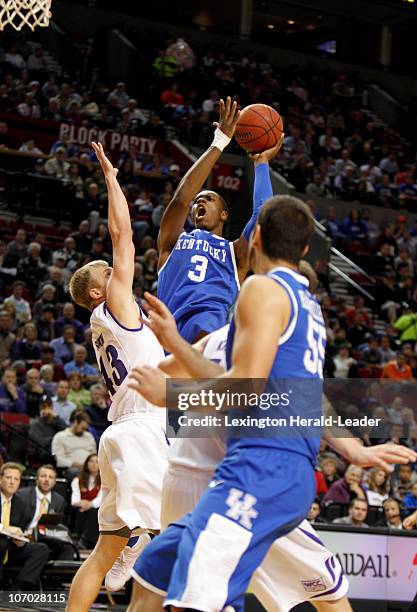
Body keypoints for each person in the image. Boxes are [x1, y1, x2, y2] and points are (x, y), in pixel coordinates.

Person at [128, 194, 333, 611]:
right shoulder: (307, 311)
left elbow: (242, 390)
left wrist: (169, 397)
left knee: (202, 598)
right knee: (151, 571)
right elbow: (299, 396)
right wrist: (354, 448)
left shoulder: (262, 291)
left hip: (256, 470)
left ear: (253, 237)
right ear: (306, 249)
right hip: (268, 469)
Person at [66, 142, 169, 612]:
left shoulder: (104, 325)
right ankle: (138, 543)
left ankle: (128, 546)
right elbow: (122, 233)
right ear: (96, 290)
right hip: (144, 431)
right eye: (110, 273)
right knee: (175, 528)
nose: (119, 271)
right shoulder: (115, 306)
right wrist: (110, 177)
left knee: (99, 555)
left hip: (121, 433)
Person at [157, 97, 284, 342]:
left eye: (209, 199)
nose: (199, 202)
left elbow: (264, 214)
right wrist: (220, 142)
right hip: (169, 345)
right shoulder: (173, 241)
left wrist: (261, 163)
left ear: (224, 215)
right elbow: (182, 198)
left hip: (208, 343)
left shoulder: (234, 254)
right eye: (198, 201)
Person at [0, 462, 49, 589]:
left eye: (16, 479)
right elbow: (7, 530)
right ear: (0, 479)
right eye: (8, 478)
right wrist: (3, 529)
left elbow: (18, 528)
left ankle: (17, 587)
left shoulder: (20, 503)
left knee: (41, 549)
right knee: (2, 542)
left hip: (9, 548)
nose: (12, 482)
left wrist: (20, 539)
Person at [16, 464, 74, 560]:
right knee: (41, 548)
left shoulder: (59, 500)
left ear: (55, 482)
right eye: (43, 476)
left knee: (68, 547)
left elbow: (57, 526)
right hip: (25, 536)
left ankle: (60, 574)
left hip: (46, 537)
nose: (47, 480)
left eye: (51, 477)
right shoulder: (22, 495)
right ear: (36, 479)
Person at [51, 410, 96, 481]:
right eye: (82, 428)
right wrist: (78, 465)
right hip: (71, 468)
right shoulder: (60, 437)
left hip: (90, 467)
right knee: (75, 472)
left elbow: (94, 455)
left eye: (86, 429)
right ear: (75, 423)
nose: (84, 431)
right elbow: (60, 460)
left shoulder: (89, 436)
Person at [71, 453, 102, 549]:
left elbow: (101, 499)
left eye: (97, 462)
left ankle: (84, 539)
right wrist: (83, 504)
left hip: (96, 509)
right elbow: (74, 500)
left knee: (93, 511)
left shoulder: (104, 481)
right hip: (81, 509)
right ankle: (81, 538)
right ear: (86, 464)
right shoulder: (77, 480)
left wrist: (90, 504)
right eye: (91, 461)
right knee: (80, 510)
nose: (94, 464)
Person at [29, 396, 67, 463]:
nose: (47, 409)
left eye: (49, 406)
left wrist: (57, 418)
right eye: (44, 407)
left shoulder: (56, 421)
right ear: (40, 408)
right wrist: (57, 439)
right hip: (43, 453)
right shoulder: (35, 423)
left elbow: (68, 433)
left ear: (52, 407)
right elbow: (41, 442)